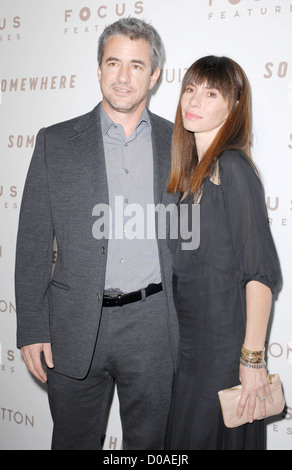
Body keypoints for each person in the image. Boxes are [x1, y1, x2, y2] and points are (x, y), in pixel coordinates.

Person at [15, 18, 178, 450]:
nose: (123, 77)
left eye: (137, 65)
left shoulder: (179, 142)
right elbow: (32, 241)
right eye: (113, 63)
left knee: (153, 448)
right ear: (99, 69)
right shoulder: (55, 143)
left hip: (154, 325)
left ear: (154, 75)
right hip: (73, 324)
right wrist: (31, 326)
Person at [165, 56, 280, 450]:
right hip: (188, 352)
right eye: (190, 88)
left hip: (222, 354)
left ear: (233, 107)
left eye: (211, 92)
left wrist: (251, 361)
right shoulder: (188, 181)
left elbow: (260, 274)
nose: (194, 100)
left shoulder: (233, 168)